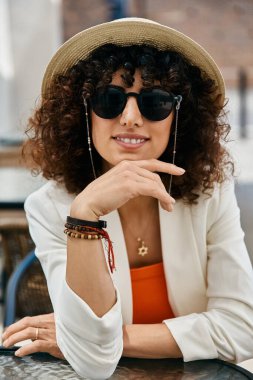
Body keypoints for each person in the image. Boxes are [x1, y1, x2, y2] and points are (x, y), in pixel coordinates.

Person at [2, 17, 253, 380]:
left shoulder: (209, 195)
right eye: (110, 100)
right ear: (82, 113)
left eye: (154, 102)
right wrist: (85, 216)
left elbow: (243, 327)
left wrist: (109, 337)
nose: (131, 117)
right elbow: (93, 361)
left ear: (179, 114)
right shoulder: (53, 208)